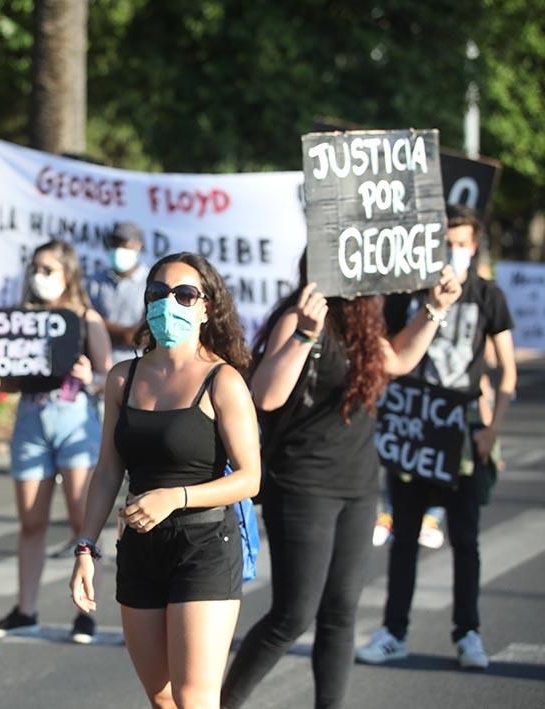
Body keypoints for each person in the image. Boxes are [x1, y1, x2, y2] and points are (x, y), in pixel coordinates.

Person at [219, 256, 462, 709]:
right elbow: (266, 395)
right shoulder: (299, 315)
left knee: (340, 614)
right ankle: (223, 703)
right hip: (302, 484)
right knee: (292, 615)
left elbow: (399, 361)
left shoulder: (363, 322)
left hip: (358, 485)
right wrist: (305, 334)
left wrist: (434, 308)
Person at [70, 251, 260, 707]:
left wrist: (176, 496)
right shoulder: (122, 378)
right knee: (163, 699)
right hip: (140, 547)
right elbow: (108, 471)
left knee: (195, 699)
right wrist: (85, 547)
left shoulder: (223, 381)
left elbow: (251, 478)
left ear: (206, 308)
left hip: (205, 546)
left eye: (183, 293)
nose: (167, 303)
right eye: (157, 293)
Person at [357, 205, 517, 671]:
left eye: (463, 241)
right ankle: (394, 631)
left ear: (475, 245)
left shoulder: (488, 296)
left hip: (462, 431)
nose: (455, 249)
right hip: (412, 428)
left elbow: (506, 370)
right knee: (404, 535)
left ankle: (468, 632)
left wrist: (492, 429)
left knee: (465, 538)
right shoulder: (406, 294)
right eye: (448, 240)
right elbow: (383, 353)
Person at [0, 240, 111, 644]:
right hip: (31, 419)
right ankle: (26, 609)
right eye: (35, 268)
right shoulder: (20, 319)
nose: (39, 276)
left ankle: (85, 611)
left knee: (81, 519)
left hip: (73, 419)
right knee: (32, 522)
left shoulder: (86, 318)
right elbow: (9, 373)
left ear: (67, 274)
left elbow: (108, 376)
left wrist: (89, 374)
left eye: (48, 269)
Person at [86, 221, 149, 364]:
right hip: (99, 369)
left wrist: (99, 327)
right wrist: (127, 334)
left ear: (137, 245)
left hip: (138, 369)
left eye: (124, 244)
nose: (118, 249)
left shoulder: (151, 282)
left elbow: (144, 337)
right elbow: (85, 325)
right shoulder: (95, 282)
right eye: (114, 244)